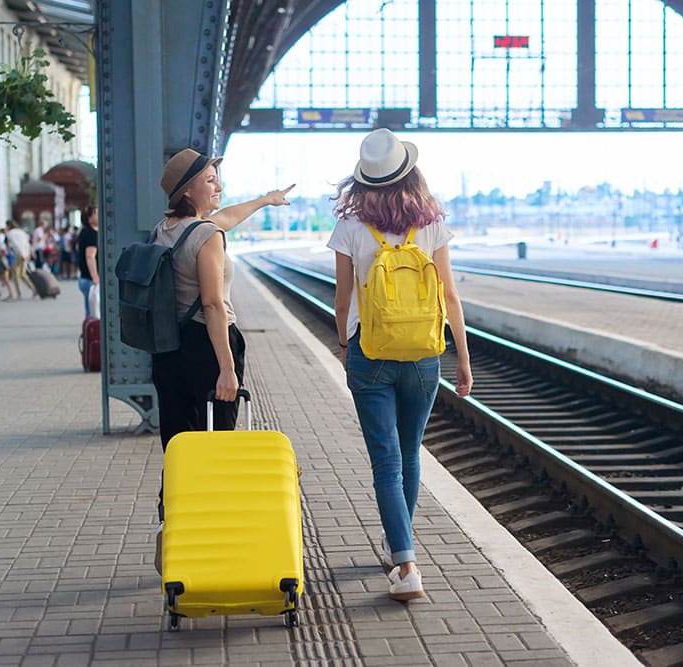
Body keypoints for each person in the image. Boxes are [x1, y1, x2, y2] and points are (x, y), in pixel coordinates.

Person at [327, 129, 473, 601]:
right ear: (411, 174)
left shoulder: (350, 228)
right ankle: (399, 547)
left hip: (370, 353)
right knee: (410, 454)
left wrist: (345, 343)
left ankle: (406, 564)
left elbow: (342, 298)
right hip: (424, 354)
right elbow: (450, 295)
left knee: (386, 460)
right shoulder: (431, 225)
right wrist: (463, 362)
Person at [150, 147, 293, 573]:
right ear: (188, 190)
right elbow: (213, 305)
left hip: (169, 350)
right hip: (209, 348)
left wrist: (266, 200)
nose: (219, 186)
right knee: (216, 443)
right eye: (210, 180)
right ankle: (211, 537)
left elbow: (227, 216)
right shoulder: (206, 236)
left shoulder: (167, 228)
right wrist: (227, 369)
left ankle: (172, 524)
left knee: (177, 444)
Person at [77, 206, 99, 317]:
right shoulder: (91, 234)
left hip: (85, 278)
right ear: (90, 218)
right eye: (97, 213)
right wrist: (95, 277)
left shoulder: (84, 232)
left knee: (90, 310)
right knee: (93, 312)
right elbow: (90, 256)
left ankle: (89, 332)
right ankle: (91, 333)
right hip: (91, 279)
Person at [5, 220, 34, 298]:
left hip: (17, 254)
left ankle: (19, 293)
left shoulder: (10, 233)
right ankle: (33, 289)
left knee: (16, 275)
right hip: (25, 253)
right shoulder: (22, 232)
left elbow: (15, 244)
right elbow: (27, 244)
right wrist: (27, 254)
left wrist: (21, 254)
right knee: (22, 274)